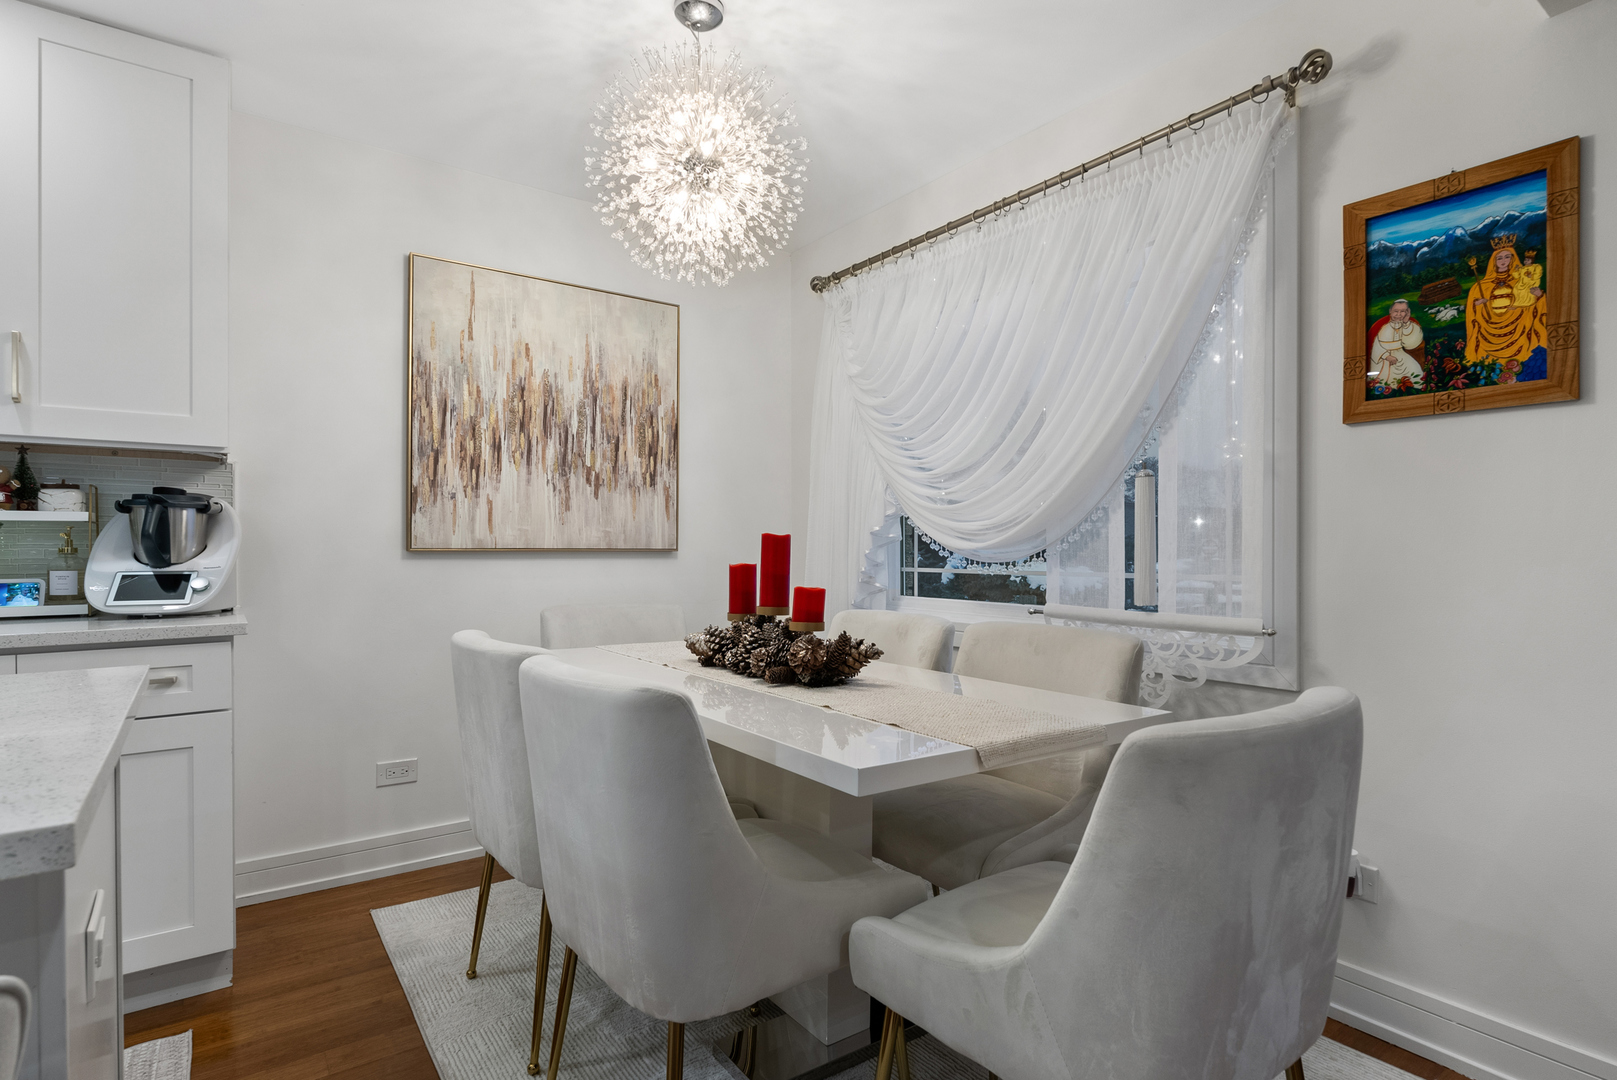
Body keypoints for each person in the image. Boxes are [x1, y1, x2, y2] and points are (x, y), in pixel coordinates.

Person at [1465, 236, 1547, 374]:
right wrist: (1478, 303)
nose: (1503, 261)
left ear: (1513, 259)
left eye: (1507, 257)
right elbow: (1472, 311)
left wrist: (1539, 296)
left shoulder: (1522, 281)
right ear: (1494, 261)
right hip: (1488, 330)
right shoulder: (1480, 286)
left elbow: (1532, 302)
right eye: (1499, 258)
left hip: (1519, 328)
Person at [1368, 299, 1425, 389]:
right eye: (1396, 311)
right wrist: (1387, 356)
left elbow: (1411, 343)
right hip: (1384, 359)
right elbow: (1377, 345)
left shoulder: (1406, 325)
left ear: (1407, 312)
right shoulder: (1384, 327)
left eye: (1402, 311)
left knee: (1414, 368)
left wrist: (1406, 323)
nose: (1399, 314)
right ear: (1390, 311)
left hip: (1401, 354)